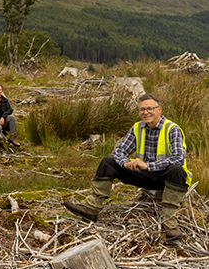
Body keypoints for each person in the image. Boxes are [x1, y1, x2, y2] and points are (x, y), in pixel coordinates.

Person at [63, 94, 192, 241]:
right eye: (142, 109)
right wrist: (125, 163)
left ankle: (169, 223)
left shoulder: (172, 129)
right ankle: (91, 207)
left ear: (159, 110)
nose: (145, 112)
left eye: (150, 108)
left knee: (176, 169)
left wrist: (148, 165)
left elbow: (178, 158)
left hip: (166, 179)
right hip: (144, 175)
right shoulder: (137, 127)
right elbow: (119, 151)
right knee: (108, 162)